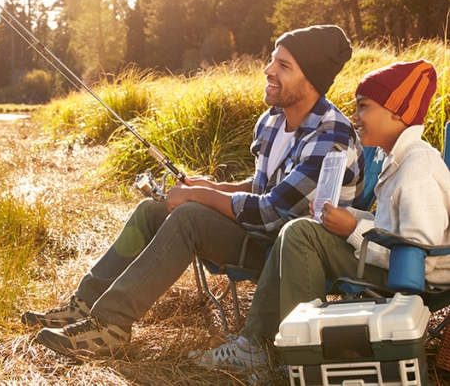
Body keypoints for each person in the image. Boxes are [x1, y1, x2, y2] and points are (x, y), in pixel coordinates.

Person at [21, 24, 364, 357]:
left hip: (286, 254)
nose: (268, 69)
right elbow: (261, 187)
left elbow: (272, 213)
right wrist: (211, 186)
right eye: (273, 59)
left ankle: (108, 327)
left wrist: (200, 197)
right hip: (258, 235)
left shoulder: (330, 134)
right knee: (151, 212)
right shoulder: (273, 120)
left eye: (283, 66)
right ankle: (83, 305)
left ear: (312, 80)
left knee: (189, 217)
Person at [194, 59, 450, 371]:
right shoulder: (396, 159)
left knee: (302, 235)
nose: (354, 116)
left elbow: (419, 257)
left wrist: (354, 228)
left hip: (413, 280)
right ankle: (260, 343)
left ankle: (301, 356)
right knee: (298, 229)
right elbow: (391, 230)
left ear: (397, 111)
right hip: (392, 263)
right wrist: (349, 218)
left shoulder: (417, 170)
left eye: (364, 106)